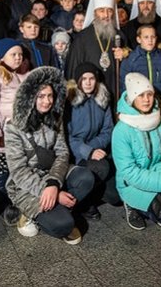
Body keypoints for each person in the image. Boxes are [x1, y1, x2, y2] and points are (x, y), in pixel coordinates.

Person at [4, 67, 95, 244]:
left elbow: (62, 153)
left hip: (53, 173)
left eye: (50, 96)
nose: (47, 101)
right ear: (30, 97)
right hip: (26, 184)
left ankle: (55, 206)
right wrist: (46, 190)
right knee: (64, 225)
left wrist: (53, 184)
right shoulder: (14, 127)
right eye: (41, 96)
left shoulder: (54, 118)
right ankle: (29, 213)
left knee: (86, 177)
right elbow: (18, 171)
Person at [112, 72, 161, 241]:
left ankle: (158, 209)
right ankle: (133, 205)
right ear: (132, 99)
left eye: (149, 94)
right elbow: (130, 172)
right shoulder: (122, 129)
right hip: (132, 182)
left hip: (158, 169)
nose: (147, 99)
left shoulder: (159, 120)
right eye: (141, 95)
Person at [0, 38, 30, 224]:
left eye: (20, 54)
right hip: (4, 137)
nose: (18, 58)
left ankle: (18, 202)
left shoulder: (22, 75)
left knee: (19, 171)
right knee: (4, 173)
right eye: (13, 54)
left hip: (21, 137)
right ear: (1, 57)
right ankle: (5, 205)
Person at [66, 62, 121, 220]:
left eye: (91, 78)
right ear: (78, 81)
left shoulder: (102, 99)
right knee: (102, 167)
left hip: (96, 150)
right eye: (84, 79)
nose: (88, 82)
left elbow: (108, 130)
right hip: (75, 155)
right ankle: (81, 203)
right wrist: (88, 151)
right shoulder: (70, 103)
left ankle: (92, 194)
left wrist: (94, 148)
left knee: (115, 196)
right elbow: (67, 137)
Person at [65, 0, 126, 98]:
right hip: (88, 95)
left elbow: (129, 67)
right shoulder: (82, 38)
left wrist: (125, 55)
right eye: (102, 11)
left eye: (110, 10)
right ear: (94, 13)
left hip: (114, 91)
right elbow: (73, 70)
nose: (106, 15)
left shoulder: (119, 36)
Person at [120, 24, 161, 95]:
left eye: (153, 37)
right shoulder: (130, 60)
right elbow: (124, 86)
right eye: (146, 37)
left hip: (157, 101)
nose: (150, 40)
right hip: (137, 102)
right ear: (139, 39)